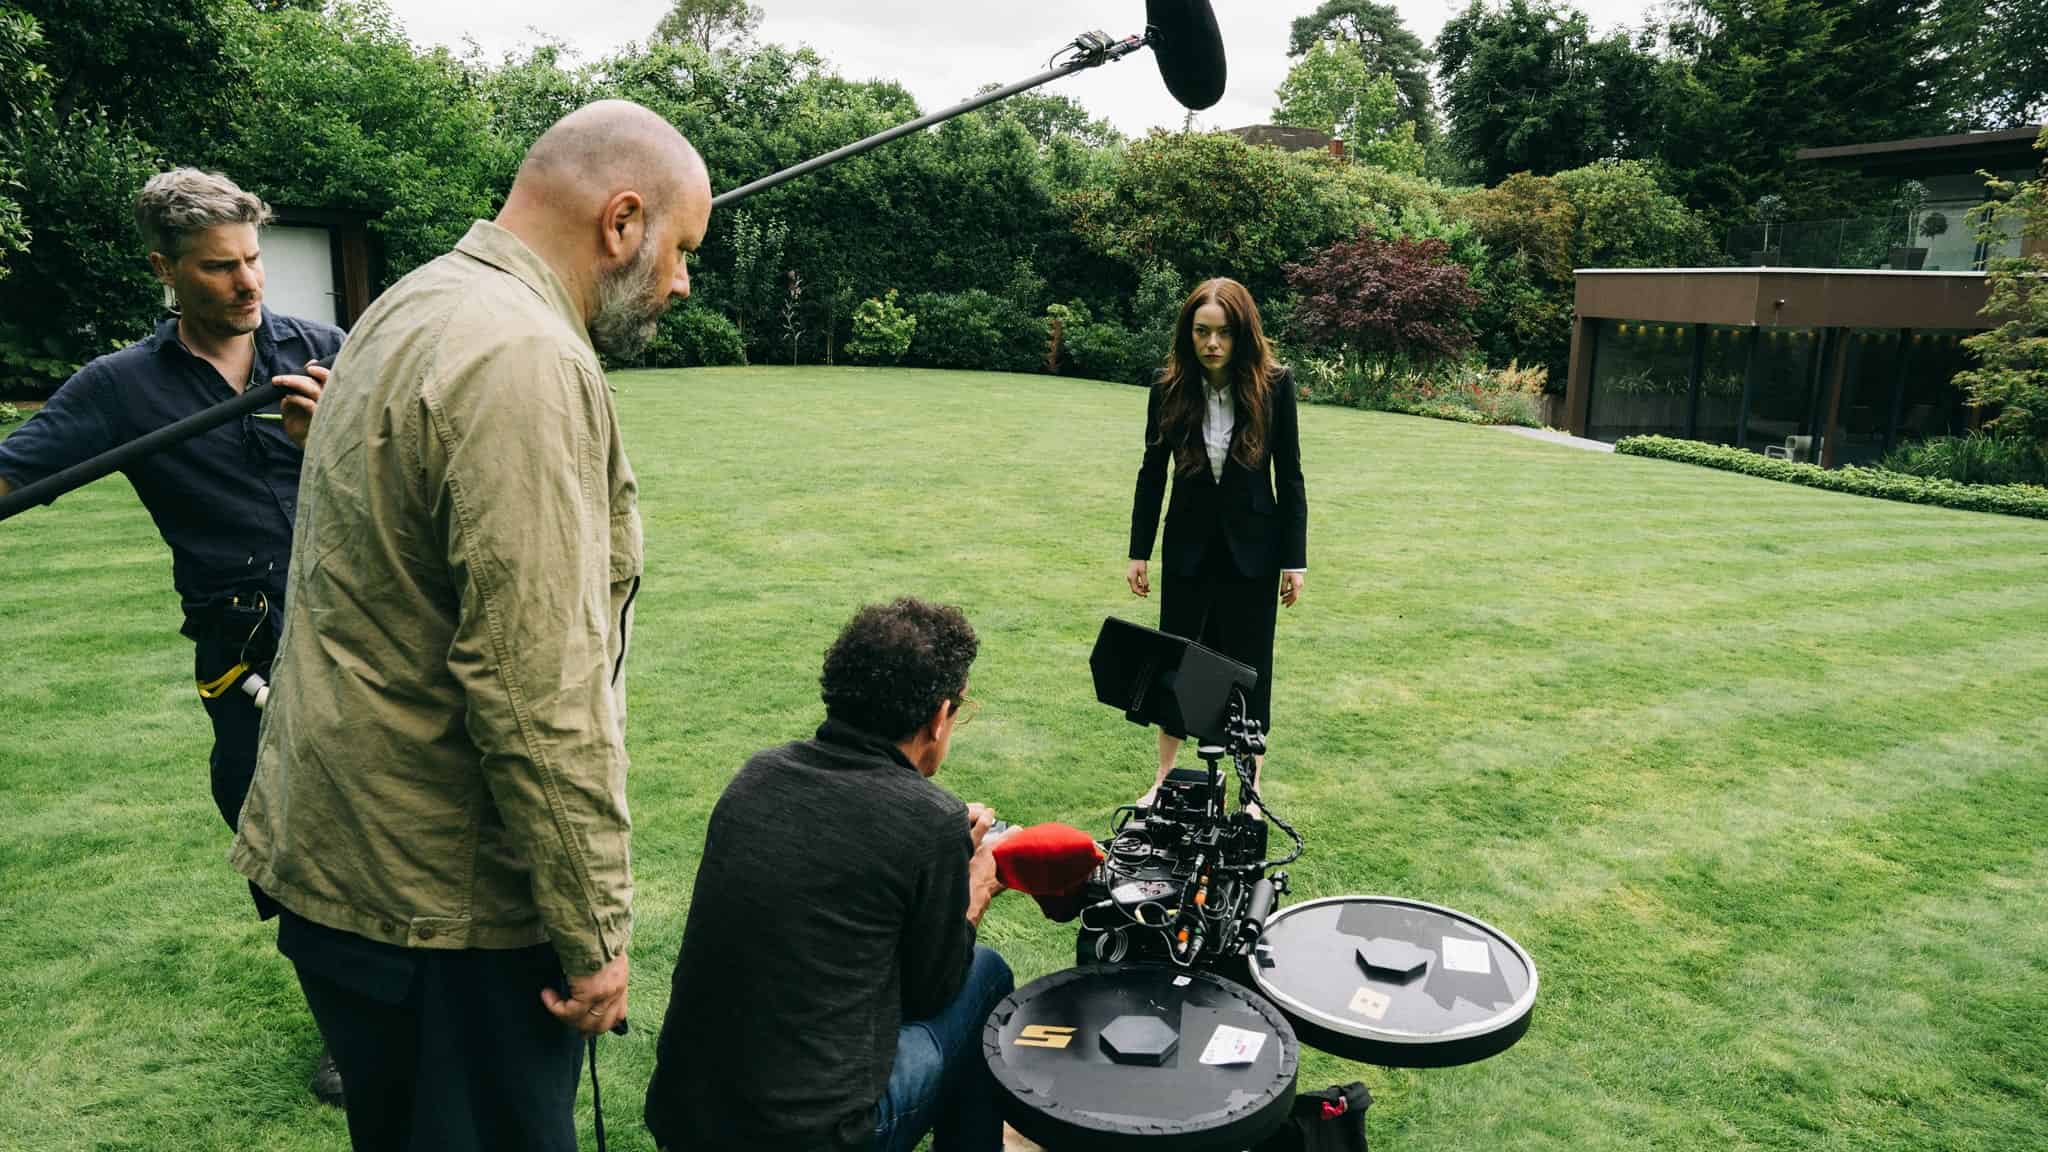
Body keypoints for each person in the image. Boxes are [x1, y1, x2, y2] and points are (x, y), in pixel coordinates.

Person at [228, 100, 711, 1152]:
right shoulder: (523, 360)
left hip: (345, 871)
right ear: (621, 221)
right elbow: (538, 689)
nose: (681, 282)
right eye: (681, 249)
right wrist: (592, 934)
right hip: (439, 913)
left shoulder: (412, 303)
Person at [0, 168, 343, 1101]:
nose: (247, 284)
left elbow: (424, 467)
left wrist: (334, 442)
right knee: (272, 833)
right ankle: (346, 1027)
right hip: (241, 649)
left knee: (395, 819)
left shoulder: (323, 351)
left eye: (254, 260)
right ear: (166, 269)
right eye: (218, 267)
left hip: (356, 625)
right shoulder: (119, 388)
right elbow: (10, 476)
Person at [645, 597, 1014, 1152]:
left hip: (688, 1116)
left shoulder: (757, 777)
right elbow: (930, 994)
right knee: (985, 975)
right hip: (814, 1137)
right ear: (939, 718)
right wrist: (975, 884)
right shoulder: (929, 820)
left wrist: (937, 857)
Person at [1126, 277, 1307, 809]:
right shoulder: (1168, 388)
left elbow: (1290, 474)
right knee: (1178, 664)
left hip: (1256, 552)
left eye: (1223, 333)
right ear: (1189, 334)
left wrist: (1295, 560)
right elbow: (1150, 472)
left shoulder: (1276, 386)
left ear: (1242, 334)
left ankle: (1252, 792)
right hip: (1186, 550)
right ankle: (1163, 779)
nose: (1212, 344)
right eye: (1202, 332)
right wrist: (1139, 551)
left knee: (1252, 668)